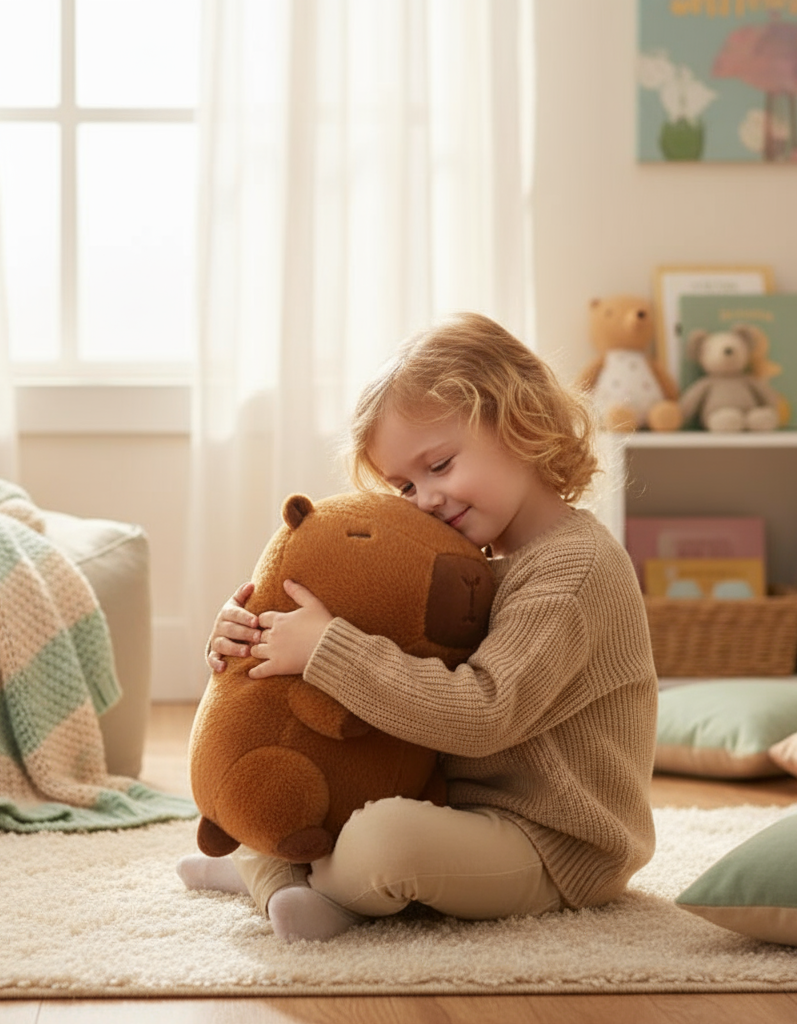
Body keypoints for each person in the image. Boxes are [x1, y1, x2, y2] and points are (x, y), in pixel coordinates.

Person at [178, 311, 657, 942]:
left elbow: (483, 714)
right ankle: (285, 877)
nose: (424, 497)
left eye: (441, 465)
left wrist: (329, 650)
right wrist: (252, 634)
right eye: (404, 483)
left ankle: (285, 880)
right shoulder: (470, 561)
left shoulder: (573, 567)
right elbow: (384, 646)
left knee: (385, 841)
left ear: (520, 423)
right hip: (449, 806)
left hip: (550, 844)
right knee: (288, 776)